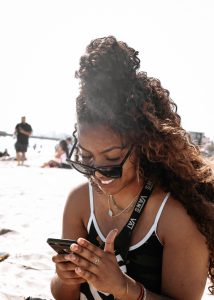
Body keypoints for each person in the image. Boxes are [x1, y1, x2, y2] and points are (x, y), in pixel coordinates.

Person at [50, 36, 214, 300]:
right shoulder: (80, 202)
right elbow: (63, 296)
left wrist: (124, 288)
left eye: (112, 157)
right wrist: (66, 278)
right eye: (86, 157)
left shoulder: (175, 218)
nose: (99, 172)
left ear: (144, 144)